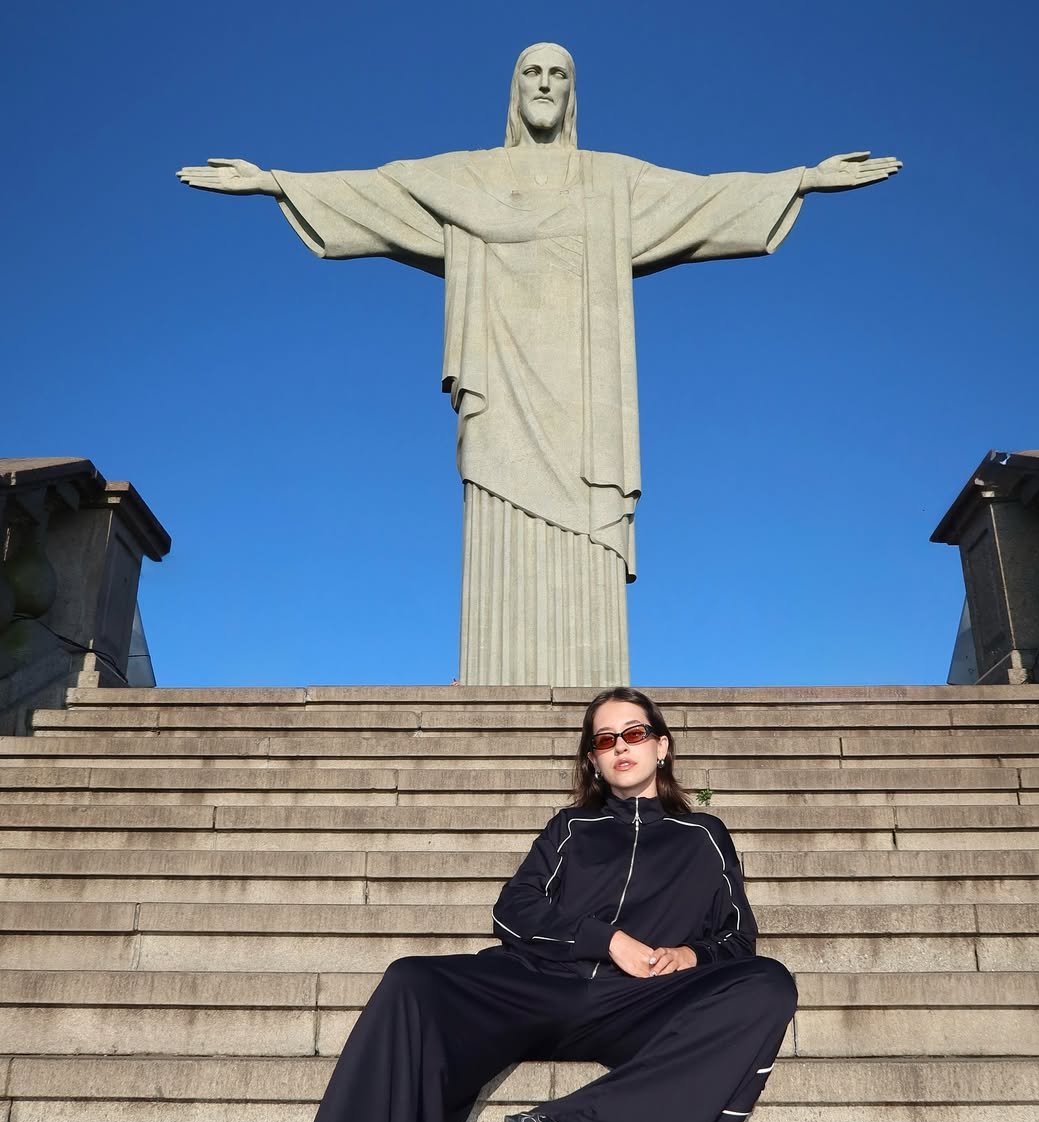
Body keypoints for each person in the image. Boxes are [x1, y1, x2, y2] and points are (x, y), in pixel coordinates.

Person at [177, 45, 901, 688]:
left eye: (559, 73)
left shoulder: (612, 182)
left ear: (573, 93)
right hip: (499, 384)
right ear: (514, 90)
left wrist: (801, 179)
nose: (546, 83)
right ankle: (495, 676)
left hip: (588, 400)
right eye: (532, 72)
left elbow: (705, 196)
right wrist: (275, 181)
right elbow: (378, 189)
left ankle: (593, 685)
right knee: (496, 497)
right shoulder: (465, 178)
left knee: (587, 510)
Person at [207, 687, 798, 1122]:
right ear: (593, 760)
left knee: (766, 985)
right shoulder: (569, 828)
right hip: (541, 984)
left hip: (643, 1000)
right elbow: (514, 912)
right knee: (411, 983)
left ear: (662, 745)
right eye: (605, 740)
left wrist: (691, 952)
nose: (621, 748)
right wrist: (605, 940)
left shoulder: (704, 835)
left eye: (634, 734)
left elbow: (737, 937)